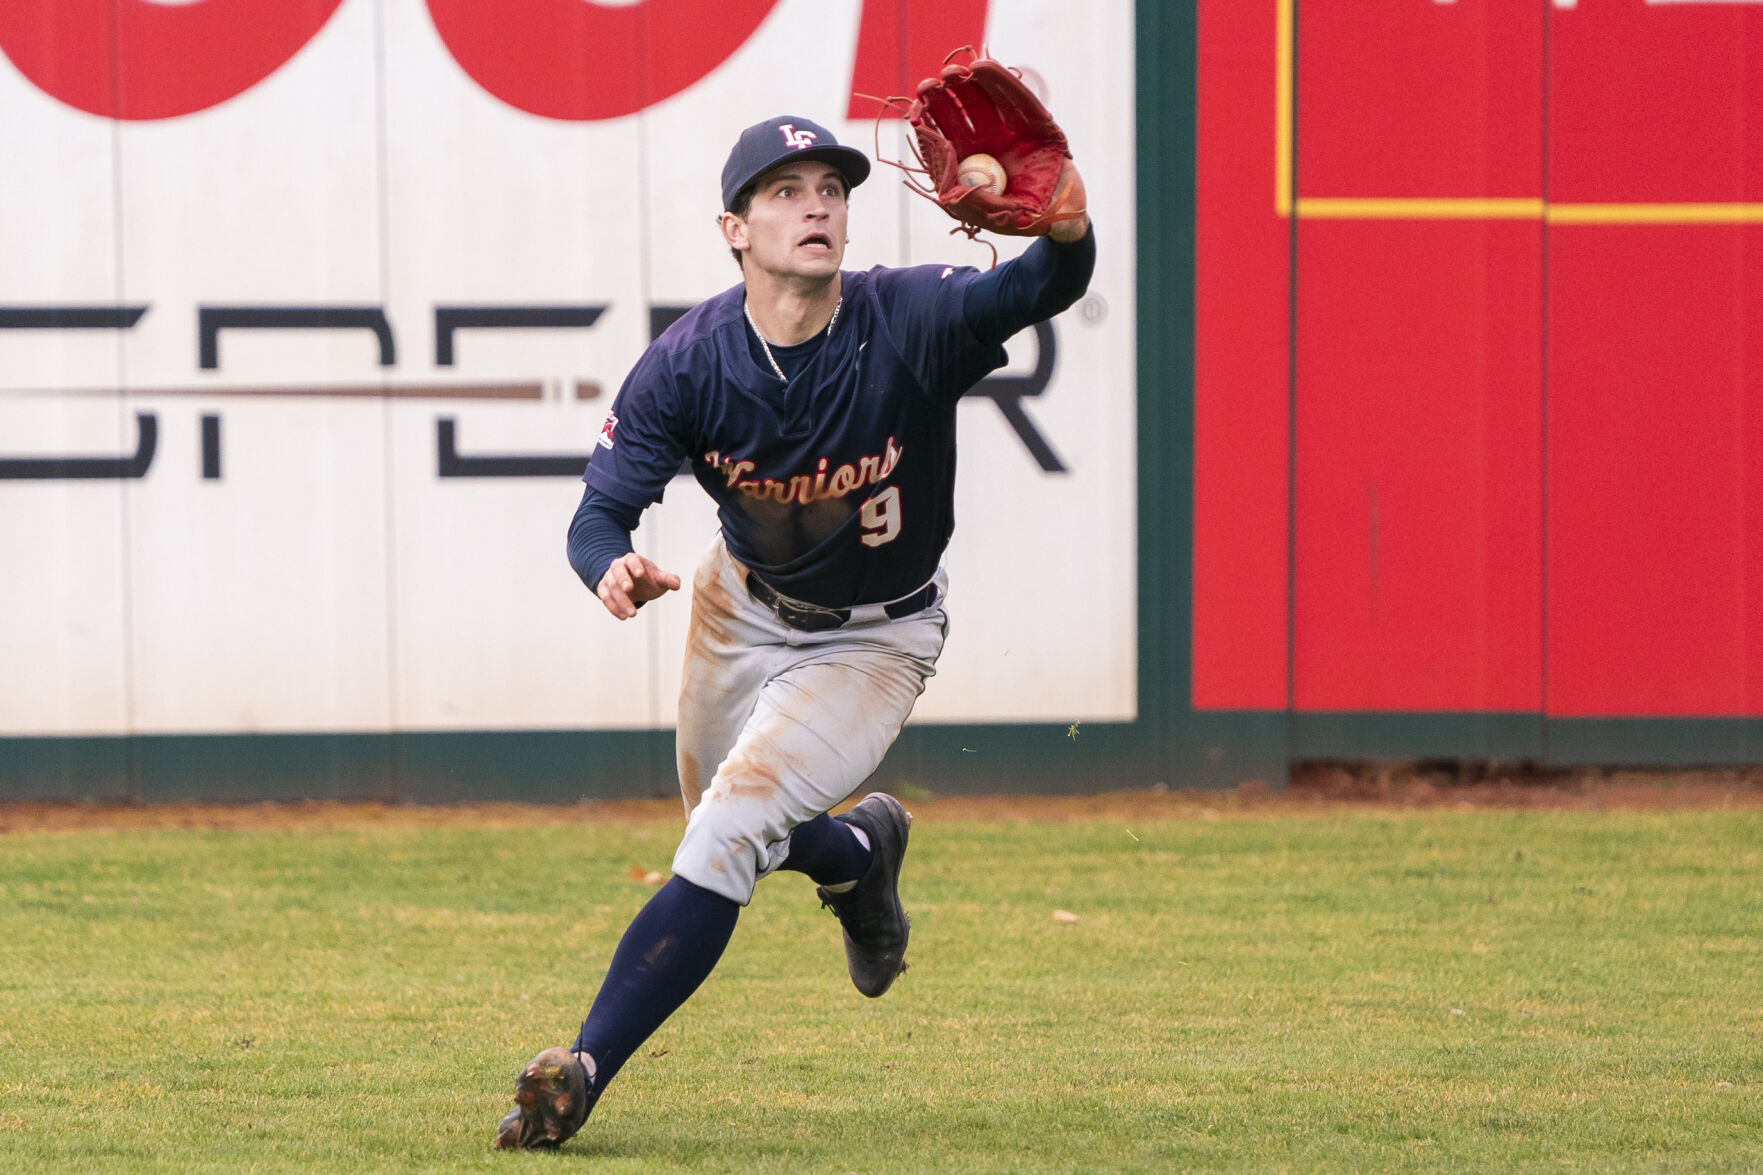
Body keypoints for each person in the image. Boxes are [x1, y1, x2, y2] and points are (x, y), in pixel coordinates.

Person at [496, 112, 1095, 1150]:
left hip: (874, 635)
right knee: (719, 829)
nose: (816, 202)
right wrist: (611, 567)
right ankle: (856, 853)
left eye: (830, 185)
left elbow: (1040, 287)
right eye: (784, 190)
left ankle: (581, 1069)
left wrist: (1069, 232)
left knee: (727, 831)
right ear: (733, 228)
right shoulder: (687, 364)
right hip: (740, 605)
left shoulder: (910, 314)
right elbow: (598, 511)